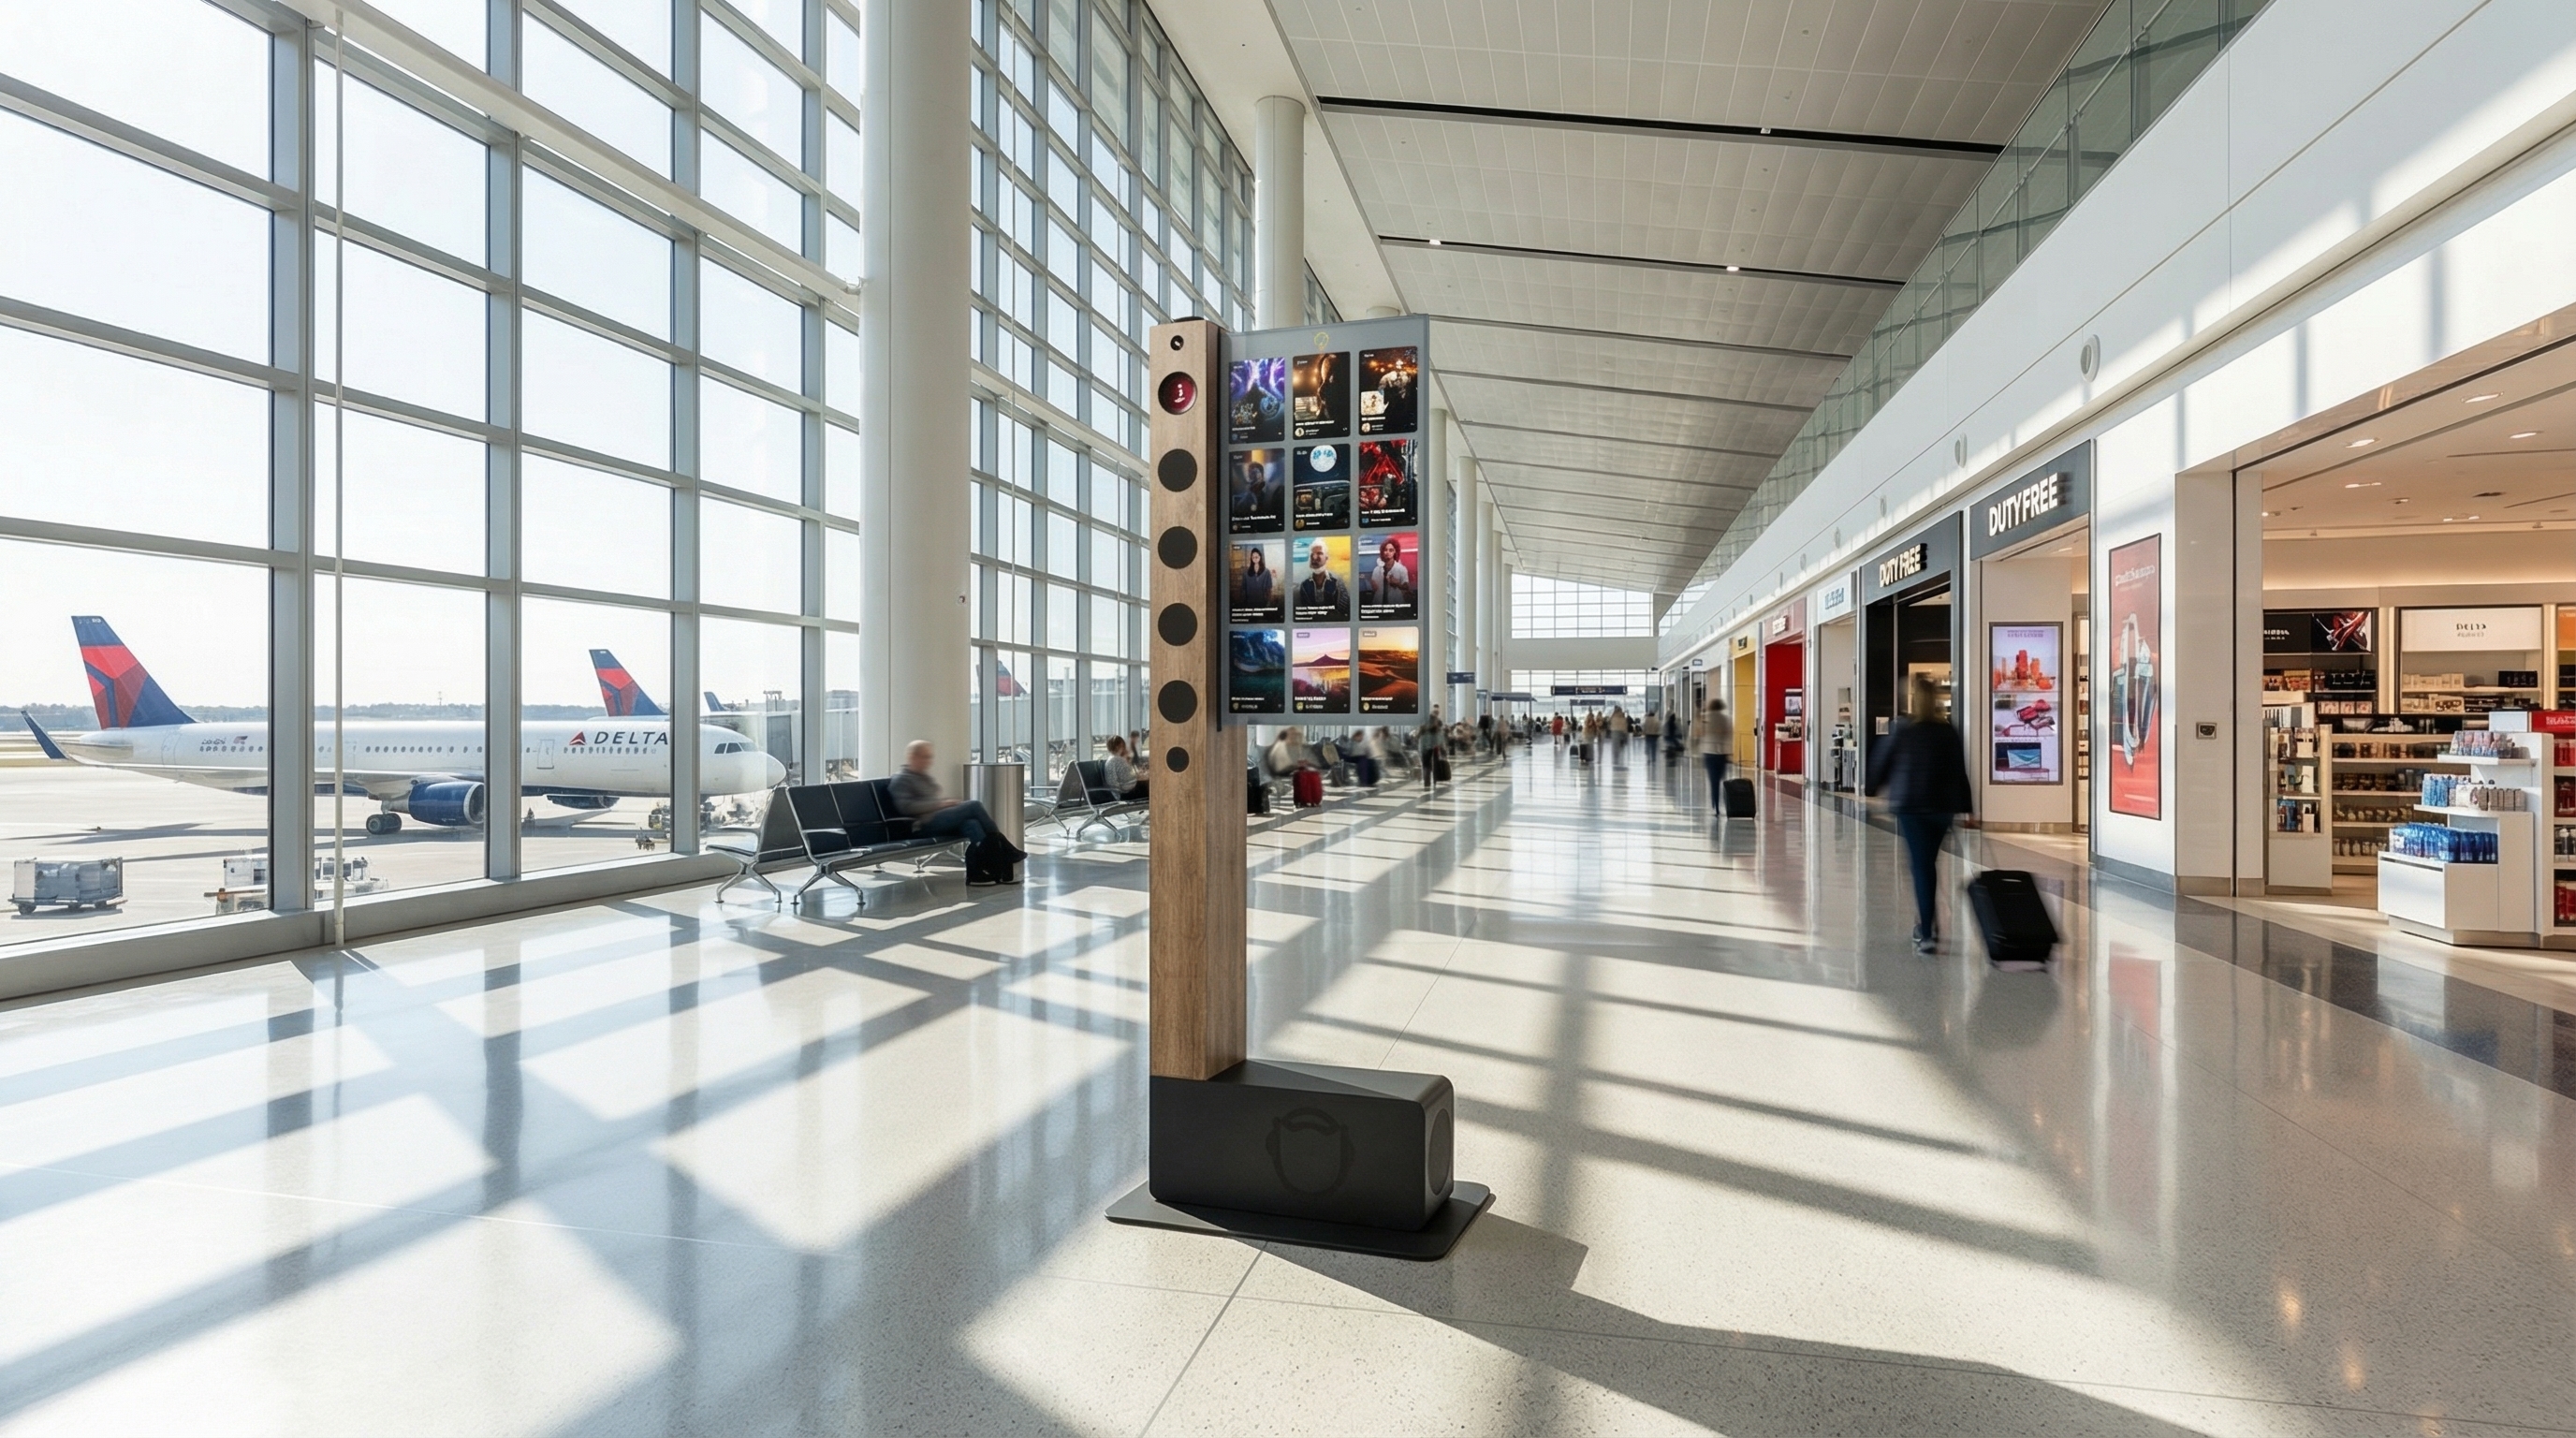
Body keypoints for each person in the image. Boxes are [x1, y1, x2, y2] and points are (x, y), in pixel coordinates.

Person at [1866, 675, 1975, 953]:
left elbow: (1881, 760)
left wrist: (1872, 787)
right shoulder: (1948, 730)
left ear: (1912, 698)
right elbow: (1959, 770)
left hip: (1912, 808)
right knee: (1929, 864)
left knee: (1921, 866)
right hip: (1942, 808)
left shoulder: (1903, 729)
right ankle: (1927, 923)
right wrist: (1967, 808)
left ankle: (1926, 931)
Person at [890, 741, 1026, 886]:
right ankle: (1004, 849)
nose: (928, 761)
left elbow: (931, 800)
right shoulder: (902, 779)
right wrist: (941, 804)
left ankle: (978, 875)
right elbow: (906, 807)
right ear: (912, 757)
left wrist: (945, 804)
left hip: (936, 818)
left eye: (929, 757)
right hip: (922, 825)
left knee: (972, 824)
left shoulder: (923, 777)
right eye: (925, 757)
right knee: (974, 805)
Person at [1690, 697, 1732, 818]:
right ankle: (1719, 803)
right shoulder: (1726, 719)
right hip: (1722, 752)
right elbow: (1728, 735)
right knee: (1720, 779)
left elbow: (1698, 734)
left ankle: (1715, 804)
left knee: (1712, 779)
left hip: (1708, 753)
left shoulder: (1704, 717)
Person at [1359, 536, 1413, 611]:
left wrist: (1397, 584)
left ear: (1395, 552)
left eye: (1391, 550)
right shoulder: (1376, 570)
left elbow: (1406, 587)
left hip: (1396, 607)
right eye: (1385, 550)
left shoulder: (1401, 569)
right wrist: (1372, 586)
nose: (1387, 552)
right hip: (1378, 607)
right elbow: (1375, 590)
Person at [1295, 542, 1349, 619]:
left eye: (1319, 553)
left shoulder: (1337, 582)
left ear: (1326, 557)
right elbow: (1305, 613)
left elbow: (1344, 610)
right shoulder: (1304, 585)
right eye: (1312, 554)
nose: (1314, 557)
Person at [1103, 734, 1147, 800]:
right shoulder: (1111, 762)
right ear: (1117, 746)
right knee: (1153, 787)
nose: (1123, 747)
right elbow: (1112, 783)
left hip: (1133, 788)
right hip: (1126, 793)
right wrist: (1122, 792)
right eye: (1121, 745)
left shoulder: (1120, 759)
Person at [1234, 545, 1274, 611]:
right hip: (1249, 604)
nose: (1255, 558)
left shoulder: (1266, 572)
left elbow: (1268, 589)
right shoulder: (1246, 573)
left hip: (1262, 603)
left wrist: (1268, 603)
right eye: (1253, 557)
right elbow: (1243, 589)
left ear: (1260, 557)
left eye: (1256, 557)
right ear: (1251, 558)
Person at [1416, 709, 1444, 788]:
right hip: (1435, 748)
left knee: (1426, 765)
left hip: (1424, 748)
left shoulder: (1422, 727)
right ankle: (1435, 781)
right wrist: (1442, 748)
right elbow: (1440, 738)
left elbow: (1417, 737)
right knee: (1434, 765)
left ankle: (1427, 782)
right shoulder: (1436, 728)